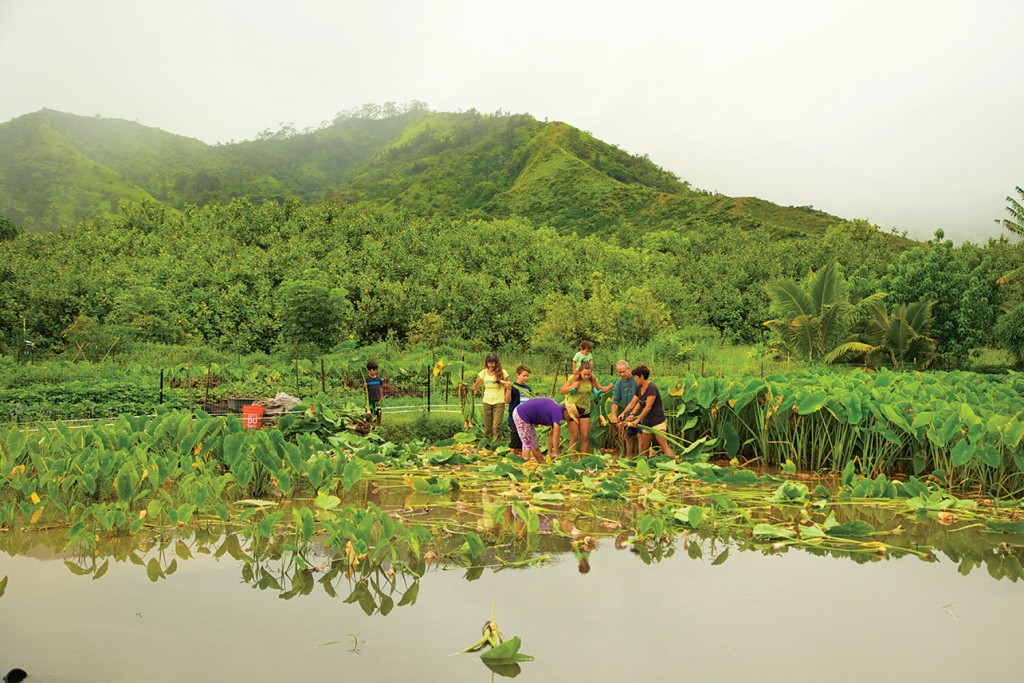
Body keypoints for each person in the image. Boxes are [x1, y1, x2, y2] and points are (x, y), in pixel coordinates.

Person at [619, 365, 675, 459]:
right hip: (647, 422)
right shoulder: (639, 388)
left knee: (663, 445)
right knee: (644, 448)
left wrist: (637, 420)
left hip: (657, 422)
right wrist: (628, 413)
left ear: (641, 376)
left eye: (636, 377)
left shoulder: (652, 388)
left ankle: (675, 466)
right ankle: (645, 467)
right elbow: (636, 402)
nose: (635, 379)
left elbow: (648, 407)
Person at [560, 360, 612, 455]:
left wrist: (609, 387)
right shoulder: (574, 378)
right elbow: (562, 390)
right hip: (573, 409)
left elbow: (600, 388)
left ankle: (583, 457)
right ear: (580, 372)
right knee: (574, 436)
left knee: (584, 436)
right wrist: (572, 386)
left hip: (585, 410)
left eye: (589, 374)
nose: (586, 376)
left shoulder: (591, 380)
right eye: (585, 374)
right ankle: (573, 458)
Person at [512, 396, 578, 463]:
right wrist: (556, 452)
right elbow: (556, 435)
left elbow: (551, 434)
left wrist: (549, 451)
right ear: (566, 411)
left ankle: (542, 463)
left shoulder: (557, 410)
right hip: (521, 414)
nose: (569, 420)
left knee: (535, 445)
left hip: (526, 416)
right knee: (527, 445)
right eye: (570, 417)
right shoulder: (558, 413)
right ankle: (525, 466)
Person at [471, 352, 510, 440]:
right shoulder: (483, 373)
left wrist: (502, 383)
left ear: (496, 363)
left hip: (499, 401)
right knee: (487, 427)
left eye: (493, 363)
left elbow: (508, 384)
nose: (491, 365)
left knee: (496, 426)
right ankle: (487, 444)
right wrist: (466, 388)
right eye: (489, 363)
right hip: (487, 401)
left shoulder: (502, 372)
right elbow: (476, 386)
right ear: (486, 363)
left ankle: (496, 444)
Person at [609, 359, 638, 458]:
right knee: (629, 437)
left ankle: (642, 458)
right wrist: (613, 414)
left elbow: (641, 399)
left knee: (641, 437)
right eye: (619, 372)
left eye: (623, 372)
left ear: (629, 369)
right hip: (627, 415)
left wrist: (633, 413)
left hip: (639, 414)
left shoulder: (636, 380)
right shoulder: (619, 383)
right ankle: (629, 457)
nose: (621, 374)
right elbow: (615, 400)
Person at [506, 365, 533, 454]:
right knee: (515, 440)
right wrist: (508, 390)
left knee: (524, 441)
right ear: (517, 375)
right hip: (514, 418)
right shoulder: (513, 387)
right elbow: (507, 401)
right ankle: (511, 457)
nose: (526, 378)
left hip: (525, 418)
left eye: (527, 376)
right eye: (524, 375)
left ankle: (521, 459)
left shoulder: (527, 388)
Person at [364, 360, 383, 426]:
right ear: (369, 370)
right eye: (373, 370)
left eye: (376, 370)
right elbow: (364, 389)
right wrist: (364, 386)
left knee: (379, 412)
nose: (375, 372)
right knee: (369, 414)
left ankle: (379, 424)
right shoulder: (367, 379)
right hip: (370, 400)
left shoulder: (378, 379)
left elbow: (380, 388)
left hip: (377, 399)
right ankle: (370, 425)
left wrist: (381, 396)